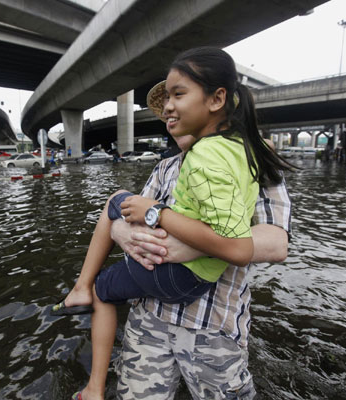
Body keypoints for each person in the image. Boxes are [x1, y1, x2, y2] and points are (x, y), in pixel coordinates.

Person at [52, 47, 294, 400]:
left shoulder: (253, 161)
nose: (169, 112)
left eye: (178, 97)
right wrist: (119, 230)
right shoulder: (164, 169)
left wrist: (184, 240)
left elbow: (275, 243)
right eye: (165, 105)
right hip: (148, 321)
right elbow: (130, 222)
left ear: (214, 102)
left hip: (212, 326)